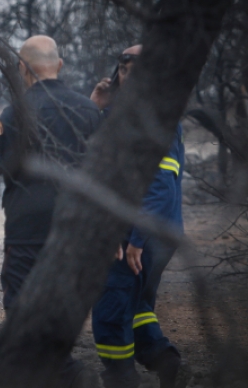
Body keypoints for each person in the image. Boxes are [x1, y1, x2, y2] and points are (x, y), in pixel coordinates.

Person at [0, 35, 102, 388]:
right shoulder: (89, 110)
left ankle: (68, 374)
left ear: (22, 69)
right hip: (77, 228)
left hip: (29, 230)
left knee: (20, 308)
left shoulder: (18, 112)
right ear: (59, 65)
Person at [89, 45, 188, 388]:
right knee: (138, 304)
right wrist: (95, 107)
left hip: (140, 234)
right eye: (123, 69)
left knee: (110, 310)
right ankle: (166, 361)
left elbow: (159, 184)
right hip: (153, 234)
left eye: (136, 71)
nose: (126, 76)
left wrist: (135, 241)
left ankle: (121, 378)